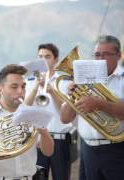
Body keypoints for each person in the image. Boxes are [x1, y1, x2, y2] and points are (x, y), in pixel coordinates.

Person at [0, 64, 54, 180]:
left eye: (23, 86)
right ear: (0, 89)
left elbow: (48, 152)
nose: (20, 91)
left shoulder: (33, 115)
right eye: (14, 87)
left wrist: (44, 133)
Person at [61, 35, 124, 180]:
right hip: (88, 151)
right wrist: (72, 96)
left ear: (119, 55)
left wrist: (99, 103)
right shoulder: (84, 79)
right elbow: (65, 118)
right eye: (97, 54)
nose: (100, 59)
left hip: (118, 150)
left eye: (106, 54)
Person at [25, 43, 74, 180]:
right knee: (37, 177)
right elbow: (25, 107)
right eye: (40, 57)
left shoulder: (63, 82)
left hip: (59, 139)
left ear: (56, 59)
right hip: (37, 139)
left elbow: (65, 111)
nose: (43, 60)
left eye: (47, 57)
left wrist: (52, 92)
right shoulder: (29, 81)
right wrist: (35, 87)